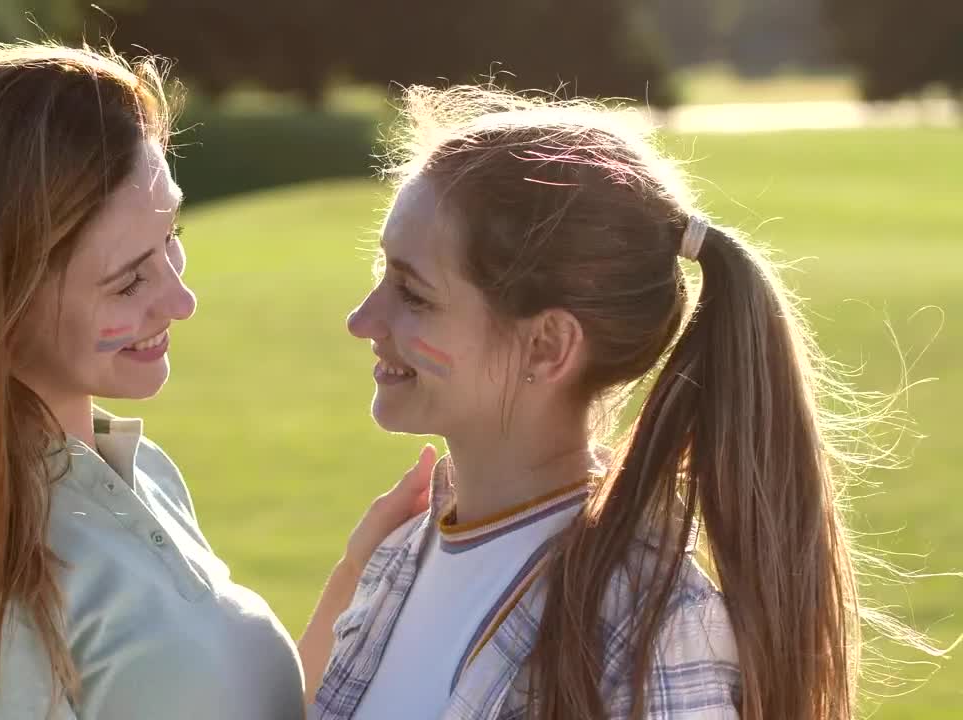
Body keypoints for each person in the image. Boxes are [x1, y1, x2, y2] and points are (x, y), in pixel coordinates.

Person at [0, 42, 431, 719]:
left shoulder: (138, 472)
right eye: (129, 278)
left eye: (172, 239)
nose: (180, 300)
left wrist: (357, 579)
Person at [312, 85, 938, 720]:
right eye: (380, 272)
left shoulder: (645, 632)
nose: (362, 319)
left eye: (413, 294)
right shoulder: (397, 560)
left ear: (547, 346)